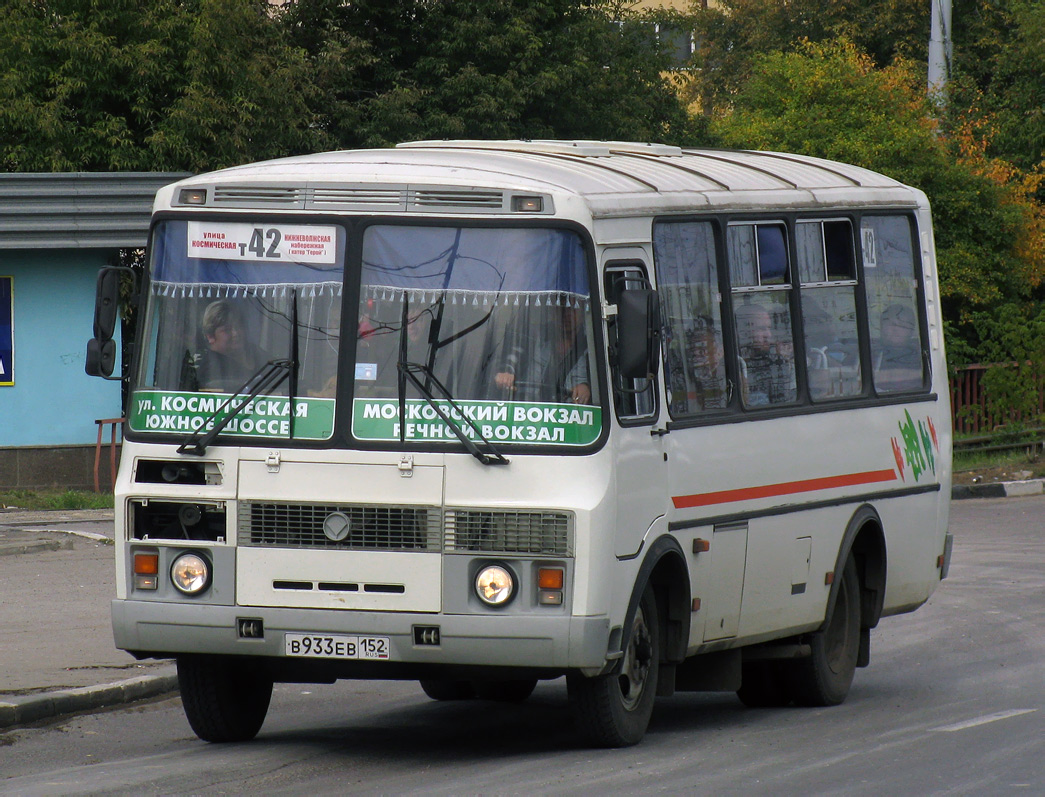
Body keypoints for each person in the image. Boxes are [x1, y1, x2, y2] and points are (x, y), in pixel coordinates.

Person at [495, 303, 592, 404]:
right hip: (526, 408)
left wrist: (586, 387)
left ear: (583, 312)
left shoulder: (591, 347)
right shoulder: (534, 338)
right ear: (553, 313)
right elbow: (513, 356)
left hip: (568, 414)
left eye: (573, 308)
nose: (567, 314)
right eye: (562, 309)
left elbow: (600, 383)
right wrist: (506, 372)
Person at [194, 300, 268, 392]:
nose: (236, 333)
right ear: (210, 336)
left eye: (238, 326)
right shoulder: (209, 367)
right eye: (227, 330)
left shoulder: (256, 353)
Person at [735, 302, 796, 406]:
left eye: (769, 328)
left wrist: (786, 362)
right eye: (761, 329)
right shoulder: (735, 365)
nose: (768, 335)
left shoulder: (774, 360)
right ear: (742, 332)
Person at [874, 303, 922, 390]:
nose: (895, 329)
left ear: (911, 331)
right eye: (891, 324)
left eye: (902, 326)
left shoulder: (920, 356)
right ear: (881, 327)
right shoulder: (868, 353)